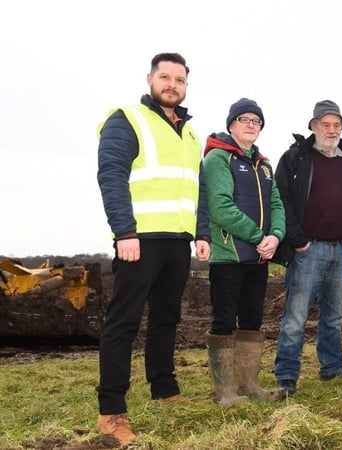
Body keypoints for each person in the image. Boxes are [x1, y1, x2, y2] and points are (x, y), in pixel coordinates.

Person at [95, 52, 209, 445]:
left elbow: (198, 189)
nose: (172, 84)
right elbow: (111, 175)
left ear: (185, 86)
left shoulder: (191, 134)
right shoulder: (127, 119)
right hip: (138, 241)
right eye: (165, 77)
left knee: (167, 319)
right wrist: (124, 232)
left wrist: (202, 233)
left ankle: (164, 389)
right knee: (123, 323)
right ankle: (111, 411)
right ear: (150, 79)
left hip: (177, 241)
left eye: (179, 79)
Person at [273, 100, 342, 396]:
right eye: (325, 124)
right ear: (313, 126)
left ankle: (332, 368)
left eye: (336, 125)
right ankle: (287, 375)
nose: (331, 130)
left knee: (334, 315)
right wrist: (297, 238)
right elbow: (282, 199)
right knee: (296, 315)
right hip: (308, 250)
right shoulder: (295, 158)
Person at [202, 98, 286, 406]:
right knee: (224, 320)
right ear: (231, 124)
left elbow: (276, 204)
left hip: (259, 256)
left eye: (256, 121)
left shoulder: (264, 165)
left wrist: (275, 237)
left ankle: (248, 384)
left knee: (252, 318)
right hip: (228, 256)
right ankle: (224, 391)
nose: (251, 125)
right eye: (245, 119)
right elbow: (220, 207)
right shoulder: (218, 158)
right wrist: (258, 235)